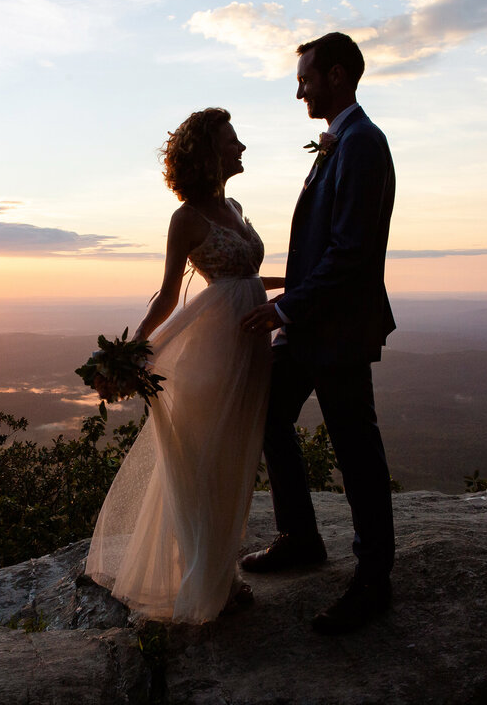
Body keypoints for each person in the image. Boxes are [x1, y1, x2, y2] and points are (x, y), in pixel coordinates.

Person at [85, 108, 283, 623]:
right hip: (215, 353)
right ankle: (209, 579)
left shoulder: (236, 206)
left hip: (251, 349)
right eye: (233, 140)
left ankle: (218, 571)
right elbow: (169, 296)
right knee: (206, 463)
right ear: (209, 152)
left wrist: (298, 290)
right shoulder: (187, 219)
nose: (241, 148)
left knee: (238, 457)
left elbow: (248, 281)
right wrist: (127, 350)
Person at [240, 32, 397, 635]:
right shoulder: (341, 142)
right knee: (269, 412)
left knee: (356, 447)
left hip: (337, 330)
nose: (298, 88)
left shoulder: (362, 144)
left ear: (336, 75)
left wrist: (285, 310)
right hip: (312, 325)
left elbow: (351, 252)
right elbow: (321, 250)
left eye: (305, 77)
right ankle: (301, 537)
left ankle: (373, 580)